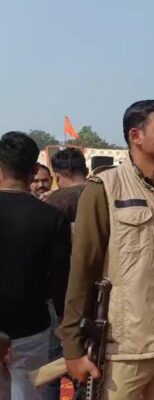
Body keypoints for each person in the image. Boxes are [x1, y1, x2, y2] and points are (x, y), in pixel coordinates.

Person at [58, 100, 154, 400]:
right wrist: (73, 347)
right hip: (126, 349)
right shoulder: (104, 188)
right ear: (136, 136)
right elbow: (83, 270)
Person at [0, 132, 71, 400]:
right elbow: (60, 279)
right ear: (33, 170)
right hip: (31, 325)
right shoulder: (52, 217)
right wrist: (66, 321)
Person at [41, 147, 89, 400]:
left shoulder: (57, 201)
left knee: (53, 357)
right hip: (101, 286)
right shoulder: (103, 193)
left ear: (61, 173)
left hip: (64, 289)